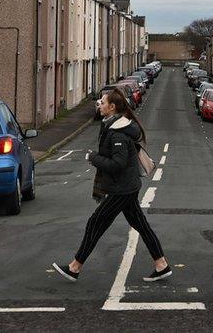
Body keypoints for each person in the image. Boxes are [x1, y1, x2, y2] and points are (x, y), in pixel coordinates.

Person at [53, 89, 171, 283]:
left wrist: (93, 158)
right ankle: (161, 264)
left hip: (121, 189)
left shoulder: (118, 134)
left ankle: (75, 267)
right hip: (127, 186)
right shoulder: (114, 126)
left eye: (102, 102)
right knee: (140, 224)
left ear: (112, 107)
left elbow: (118, 164)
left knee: (95, 222)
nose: (99, 104)